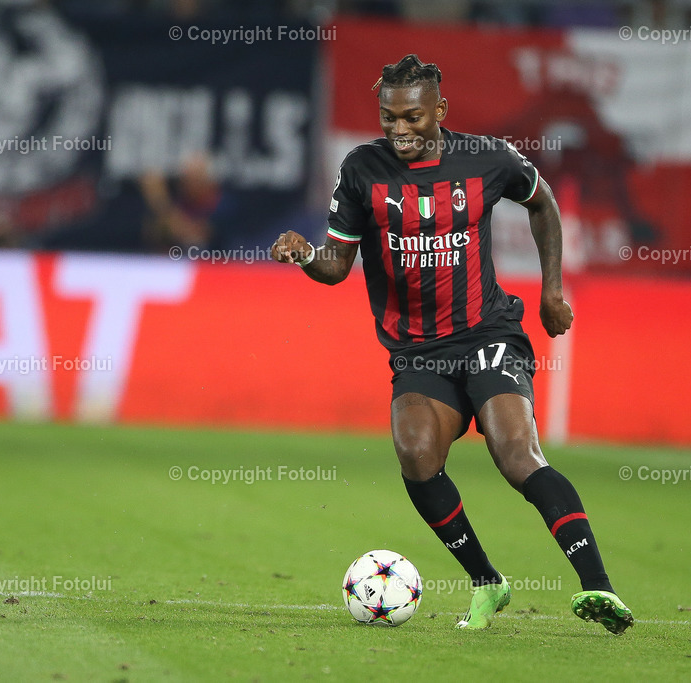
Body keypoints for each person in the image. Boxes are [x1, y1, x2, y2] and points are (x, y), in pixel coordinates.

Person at [271, 54, 633, 634]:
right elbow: (337, 265)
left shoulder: (487, 157)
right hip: (416, 351)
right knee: (415, 455)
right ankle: (487, 582)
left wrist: (552, 291)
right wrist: (307, 257)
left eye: (412, 118)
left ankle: (599, 588)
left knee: (517, 455)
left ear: (440, 110)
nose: (400, 131)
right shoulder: (362, 170)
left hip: (486, 334)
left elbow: (542, 203)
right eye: (389, 119)